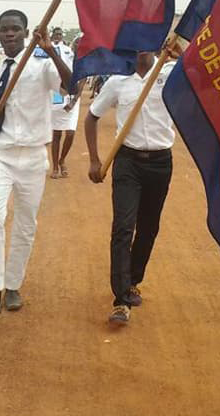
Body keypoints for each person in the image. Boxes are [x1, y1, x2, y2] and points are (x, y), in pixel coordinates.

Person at [0, 10, 71, 317]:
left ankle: (13, 286)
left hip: (32, 158)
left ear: (25, 32)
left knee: (25, 224)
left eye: (15, 29)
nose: (9, 34)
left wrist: (50, 51)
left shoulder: (42, 69)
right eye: (4, 29)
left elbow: (72, 87)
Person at [84, 46, 179, 326]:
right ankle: (121, 299)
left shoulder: (170, 74)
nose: (142, 47)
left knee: (149, 227)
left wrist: (183, 53)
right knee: (123, 227)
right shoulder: (117, 81)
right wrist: (93, 160)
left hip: (161, 162)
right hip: (127, 162)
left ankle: (133, 280)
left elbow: (204, 74)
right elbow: (91, 117)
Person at [49, 28, 80, 178]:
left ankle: (62, 160)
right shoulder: (46, 53)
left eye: (60, 34)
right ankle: (55, 166)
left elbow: (80, 77)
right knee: (56, 134)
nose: (58, 37)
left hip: (72, 95)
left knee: (70, 133)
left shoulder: (69, 52)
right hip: (55, 94)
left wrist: (74, 101)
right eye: (56, 34)